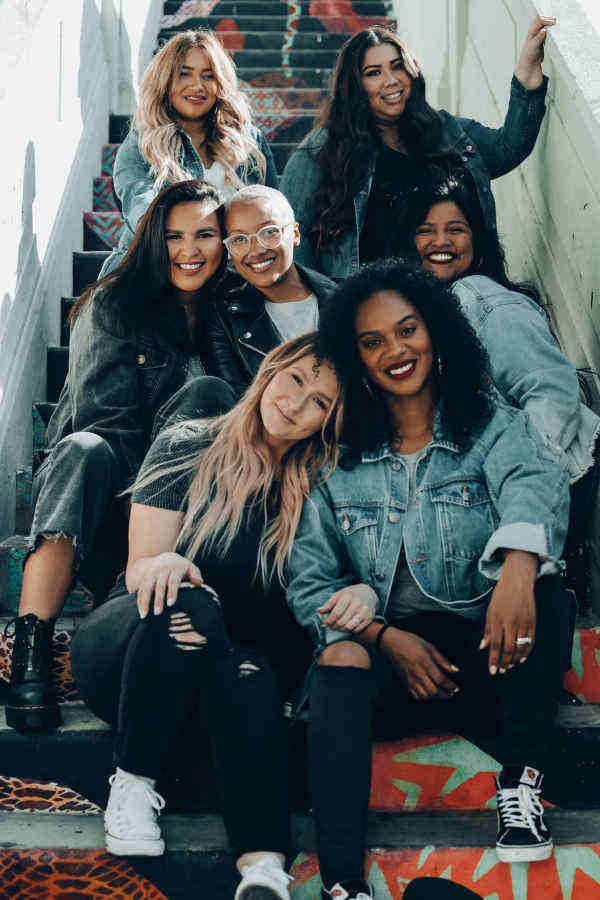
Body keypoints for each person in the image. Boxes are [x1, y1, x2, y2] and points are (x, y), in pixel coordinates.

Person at [287, 260, 574, 899]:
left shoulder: (492, 426)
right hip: (395, 670)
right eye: (372, 342)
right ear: (354, 359)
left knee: (550, 597)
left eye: (408, 329)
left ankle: (521, 787)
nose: (395, 351)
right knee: (337, 652)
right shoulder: (336, 463)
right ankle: (342, 882)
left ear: (436, 332)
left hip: (492, 656)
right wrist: (387, 637)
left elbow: (536, 485)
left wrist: (520, 567)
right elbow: (310, 584)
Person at [70, 334, 359, 900]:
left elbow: (319, 592)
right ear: (271, 370)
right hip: (132, 647)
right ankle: (131, 783)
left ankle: (263, 869)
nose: (297, 403)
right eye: (296, 380)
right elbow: (140, 568)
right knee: (190, 596)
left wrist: (365, 598)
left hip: (224, 683)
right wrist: (170, 563)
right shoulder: (189, 443)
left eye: (320, 402)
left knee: (249, 669)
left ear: (329, 422)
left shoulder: (319, 484)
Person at [5, 180, 235, 733]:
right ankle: (32, 648)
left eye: (205, 234)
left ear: (225, 242)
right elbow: (98, 423)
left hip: (192, 517)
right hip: (112, 503)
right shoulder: (113, 304)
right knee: (82, 451)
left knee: (210, 397)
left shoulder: (234, 312)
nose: (190, 250)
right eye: (175, 236)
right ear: (154, 240)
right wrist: (148, 494)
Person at [404, 170, 600, 607]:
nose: (442, 242)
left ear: (478, 239)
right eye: (426, 231)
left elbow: (551, 391)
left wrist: (519, 487)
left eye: (456, 229)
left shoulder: (478, 297)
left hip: (558, 476)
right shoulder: (427, 314)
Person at [280, 16, 555, 278]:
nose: (391, 80)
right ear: (355, 86)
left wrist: (526, 77)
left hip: (458, 293)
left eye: (397, 66)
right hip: (377, 308)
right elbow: (294, 236)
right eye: (374, 73)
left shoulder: (446, 130)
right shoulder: (321, 153)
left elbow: (506, 149)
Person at [100, 29, 278, 276]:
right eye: (184, 74)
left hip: (232, 279)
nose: (197, 86)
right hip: (155, 275)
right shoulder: (143, 144)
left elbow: (273, 213)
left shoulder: (247, 141)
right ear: (165, 80)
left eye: (208, 75)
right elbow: (142, 210)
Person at [204, 185, 336, 397]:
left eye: (269, 232)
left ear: (294, 234)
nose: (256, 250)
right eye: (239, 239)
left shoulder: (347, 300)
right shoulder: (225, 320)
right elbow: (238, 407)